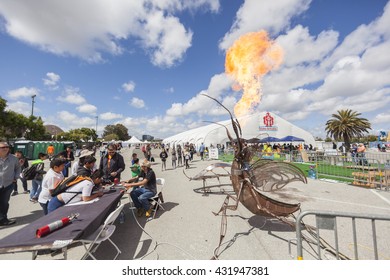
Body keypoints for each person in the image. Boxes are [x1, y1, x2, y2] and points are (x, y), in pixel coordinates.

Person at [0, 141, 21, 226]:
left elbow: (18, 168)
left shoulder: (14, 158)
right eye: (3, 147)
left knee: (4, 202)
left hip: (8, 184)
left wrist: (16, 177)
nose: (5, 148)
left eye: (7, 147)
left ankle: (3, 219)